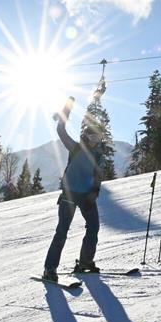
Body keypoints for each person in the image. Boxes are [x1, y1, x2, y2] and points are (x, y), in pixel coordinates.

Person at [42, 98, 106, 281]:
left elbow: (98, 177)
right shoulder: (76, 148)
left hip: (86, 197)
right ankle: (49, 268)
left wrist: (94, 192)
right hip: (70, 195)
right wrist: (66, 110)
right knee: (62, 231)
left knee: (93, 227)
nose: (95, 140)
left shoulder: (99, 155)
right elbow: (60, 130)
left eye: (98, 137)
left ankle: (85, 262)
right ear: (86, 136)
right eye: (92, 136)